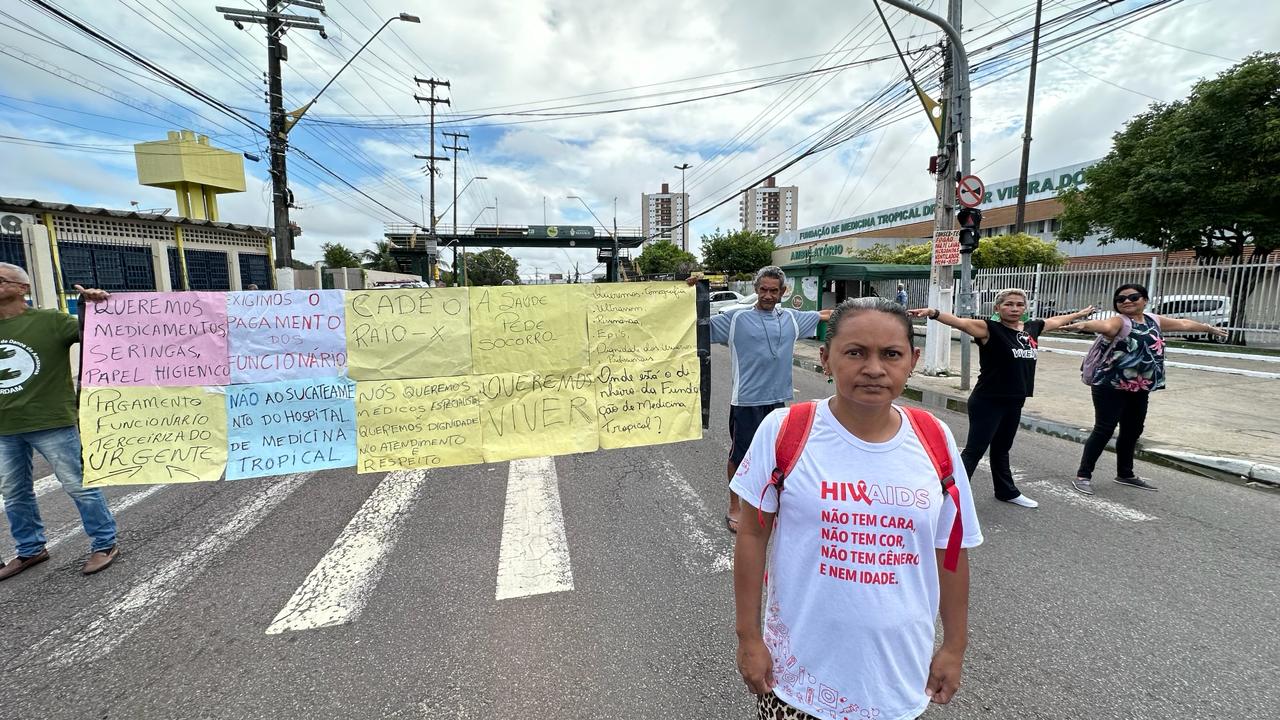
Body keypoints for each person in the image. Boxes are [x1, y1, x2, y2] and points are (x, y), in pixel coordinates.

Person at [731, 297, 983, 720]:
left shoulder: (933, 438)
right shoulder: (786, 430)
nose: (874, 368)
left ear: (912, 360)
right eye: (855, 352)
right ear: (826, 359)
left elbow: (950, 550)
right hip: (797, 682)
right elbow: (753, 534)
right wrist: (748, 637)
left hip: (898, 678)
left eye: (891, 354)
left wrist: (955, 645)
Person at [907, 290, 1095, 508]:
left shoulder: (1032, 328)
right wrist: (933, 312)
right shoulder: (989, 329)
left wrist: (1079, 314)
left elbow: (1056, 320)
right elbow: (959, 322)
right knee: (975, 450)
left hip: (1015, 399)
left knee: (1001, 448)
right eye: (1008, 304)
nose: (1014, 309)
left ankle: (1006, 491)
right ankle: (949, 497)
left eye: (1019, 305)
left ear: (1025, 308)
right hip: (988, 399)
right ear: (997, 308)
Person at [0, 263, 119, 580]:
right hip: (4, 427)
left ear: (22, 287)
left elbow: (99, 333)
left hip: (51, 421)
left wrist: (96, 306)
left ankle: (104, 543)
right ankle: (30, 549)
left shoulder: (50, 322)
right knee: (14, 493)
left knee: (78, 486)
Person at [1062, 283, 1227, 495]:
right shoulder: (1119, 321)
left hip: (1140, 386)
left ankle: (1125, 473)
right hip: (1110, 385)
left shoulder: (1153, 320)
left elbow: (1183, 324)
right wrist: (1083, 326)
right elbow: (1105, 327)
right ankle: (1083, 475)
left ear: (1145, 300)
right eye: (1121, 299)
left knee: (1132, 430)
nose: (1127, 301)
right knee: (1104, 429)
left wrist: (1208, 328)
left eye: (1133, 297)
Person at [703, 266, 830, 533]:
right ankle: (734, 506)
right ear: (755, 289)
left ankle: (771, 503)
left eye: (774, 290)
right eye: (763, 289)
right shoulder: (736, 319)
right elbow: (696, 326)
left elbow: (827, 315)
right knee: (741, 455)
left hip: (777, 401)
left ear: (783, 292)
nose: (768, 295)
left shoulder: (792, 319)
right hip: (746, 401)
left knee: (777, 456)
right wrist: (690, 292)